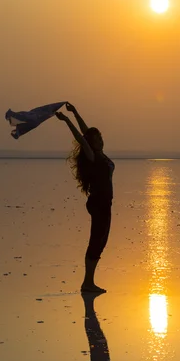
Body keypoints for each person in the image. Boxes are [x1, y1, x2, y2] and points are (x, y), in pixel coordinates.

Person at [55, 103, 114, 293]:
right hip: (98, 203)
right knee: (96, 241)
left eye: (100, 138)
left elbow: (86, 132)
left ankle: (90, 282)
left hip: (105, 203)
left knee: (101, 241)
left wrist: (75, 112)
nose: (100, 141)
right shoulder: (92, 156)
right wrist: (66, 121)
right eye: (96, 139)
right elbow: (82, 138)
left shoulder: (100, 155)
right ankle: (87, 283)